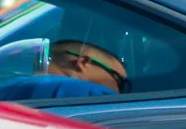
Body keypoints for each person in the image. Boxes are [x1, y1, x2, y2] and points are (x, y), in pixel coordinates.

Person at [0, 39, 129, 101]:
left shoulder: (11, 86)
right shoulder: (88, 93)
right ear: (83, 63)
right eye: (119, 80)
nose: (118, 91)